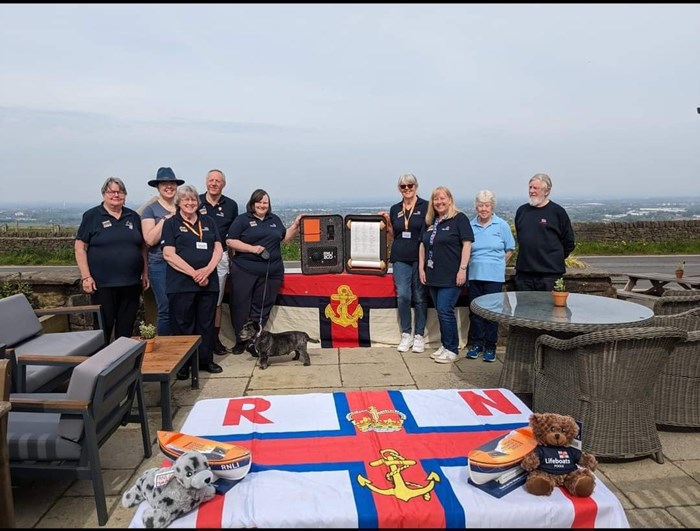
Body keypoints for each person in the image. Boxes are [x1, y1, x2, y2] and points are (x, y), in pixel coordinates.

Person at [226, 189, 302, 354]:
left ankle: (254, 342)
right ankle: (241, 340)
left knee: (262, 307)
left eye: (265, 202)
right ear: (252, 203)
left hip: (271, 272)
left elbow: (284, 237)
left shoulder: (274, 219)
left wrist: (295, 226)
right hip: (245, 270)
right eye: (259, 202)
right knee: (241, 305)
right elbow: (231, 241)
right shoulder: (242, 220)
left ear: (269, 205)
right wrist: (251, 249)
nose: (262, 205)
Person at [75, 177, 148, 344]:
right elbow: (80, 248)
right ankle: (100, 366)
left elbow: (142, 247)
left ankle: (123, 364)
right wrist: (86, 276)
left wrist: (145, 272)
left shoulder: (133, 216)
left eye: (120, 192)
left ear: (125, 195)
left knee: (126, 327)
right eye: (112, 192)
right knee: (103, 327)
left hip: (131, 283)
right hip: (103, 284)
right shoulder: (92, 216)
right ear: (104, 194)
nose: (116, 195)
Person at [162, 185, 223, 379]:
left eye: (193, 200)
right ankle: (184, 364)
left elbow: (218, 249)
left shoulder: (209, 221)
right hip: (181, 283)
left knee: (206, 323)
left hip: (208, 282)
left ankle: (205, 360)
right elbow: (168, 254)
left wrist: (206, 271)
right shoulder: (171, 224)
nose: (190, 203)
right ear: (179, 202)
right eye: (186, 200)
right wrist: (194, 273)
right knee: (183, 324)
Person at [419, 186, 474, 364]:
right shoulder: (431, 221)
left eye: (443, 198)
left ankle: (452, 349)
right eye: (436, 199)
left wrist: (463, 269)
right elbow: (422, 245)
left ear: (450, 199)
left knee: (445, 309)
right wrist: (421, 268)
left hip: (451, 276)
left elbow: (467, 245)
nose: (439, 202)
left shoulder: (459, 219)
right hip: (433, 274)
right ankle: (445, 344)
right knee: (440, 311)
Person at [380, 173, 428, 353]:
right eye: (403, 186)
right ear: (399, 189)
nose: (407, 189)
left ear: (416, 186)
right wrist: (386, 223)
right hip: (400, 256)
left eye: (410, 185)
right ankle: (406, 333)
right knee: (403, 296)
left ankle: (419, 334)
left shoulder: (426, 206)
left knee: (420, 296)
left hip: (419, 256)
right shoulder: (395, 208)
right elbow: (395, 233)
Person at [465, 190, 515, 362]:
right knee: (475, 312)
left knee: (492, 313)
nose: (483, 209)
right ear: (476, 206)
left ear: (492, 207)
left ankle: (490, 347)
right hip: (474, 275)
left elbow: (510, 249)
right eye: (480, 205)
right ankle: (477, 344)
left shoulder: (502, 225)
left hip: (494, 277)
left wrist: (499, 263)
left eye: (487, 205)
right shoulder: (470, 226)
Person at [198, 169, 238, 355]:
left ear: (224, 184)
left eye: (218, 181)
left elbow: (234, 234)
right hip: (197, 257)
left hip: (221, 256)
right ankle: (198, 341)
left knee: (217, 301)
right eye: (211, 180)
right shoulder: (195, 201)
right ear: (206, 182)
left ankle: (214, 340)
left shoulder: (231, 205)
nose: (214, 183)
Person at [141, 167, 184, 336]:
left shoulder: (183, 206)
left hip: (181, 264)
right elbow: (150, 240)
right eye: (164, 183)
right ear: (158, 187)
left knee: (181, 307)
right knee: (165, 307)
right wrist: (167, 219)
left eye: (172, 183)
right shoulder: (150, 210)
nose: (169, 187)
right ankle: (166, 346)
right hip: (160, 264)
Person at [514, 173, 575, 292]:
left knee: (549, 310)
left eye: (535, 188)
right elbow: (520, 237)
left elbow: (569, 242)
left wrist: (552, 258)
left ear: (546, 191)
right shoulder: (522, 211)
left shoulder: (558, 212)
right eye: (530, 187)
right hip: (524, 274)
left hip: (550, 275)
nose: (531, 191)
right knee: (523, 310)